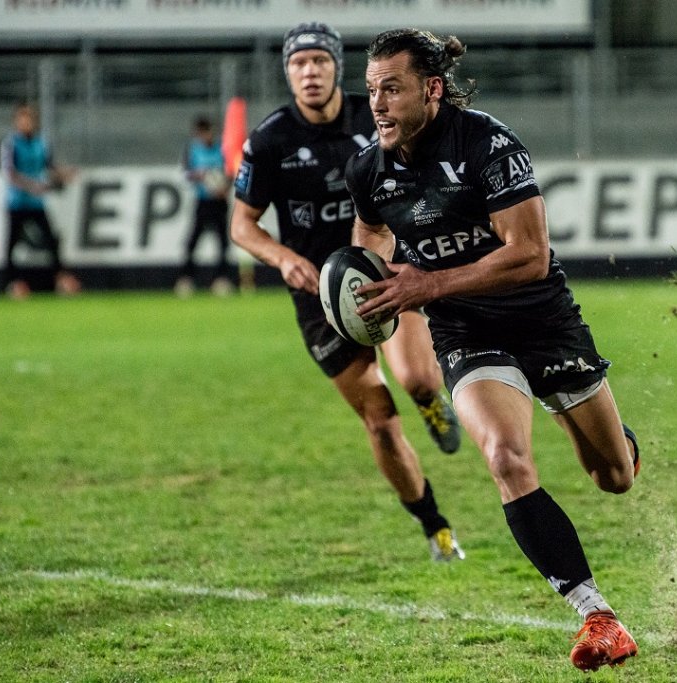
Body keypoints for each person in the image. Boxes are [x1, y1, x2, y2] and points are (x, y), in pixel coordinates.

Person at [345, 29, 643, 671]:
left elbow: (530, 256)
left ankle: (617, 437)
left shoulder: (487, 144)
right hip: (466, 331)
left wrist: (426, 282)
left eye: (391, 89)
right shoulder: (369, 168)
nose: (378, 103)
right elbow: (369, 231)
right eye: (371, 90)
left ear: (431, 88)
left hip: (542, 320)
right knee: (506, 458)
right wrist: (365, 283)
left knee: (612, 477)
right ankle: (598, 616)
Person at [229, 22, 464, 561]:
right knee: (380, 423)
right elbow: (242, 226)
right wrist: (284, 258)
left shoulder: (376, 112)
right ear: (288, 73)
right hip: (320, 297)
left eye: (319, 62)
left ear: (338, 67)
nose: (309, 72)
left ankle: (430, 400)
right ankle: (435, 526)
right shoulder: (269, 141)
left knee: (418, 378)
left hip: (386, 271)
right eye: (298, 64)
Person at [0, 102, 81, 299]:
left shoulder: (41, 143)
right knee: (12, 244)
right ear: (16, 122)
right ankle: (14, 283)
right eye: (22, 119)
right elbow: (10, 174)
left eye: (29, 119)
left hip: (36, 203)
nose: (25, 122)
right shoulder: (11, 144)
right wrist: (32, 186)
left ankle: (61, 279)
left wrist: (64, 173)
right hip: (17, 202)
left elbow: (49, 166)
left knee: (51, 241)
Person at [176, 116, 234, 297]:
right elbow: (185, 174)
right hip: (202, 200)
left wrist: (224, 187)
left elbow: (232, 171)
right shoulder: (192, 149)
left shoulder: (223, 148)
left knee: (222, 242)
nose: (205, 136)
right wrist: (199, 176)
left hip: (219, 201)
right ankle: (186, 279)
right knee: (193, 241)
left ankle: (221, 279)